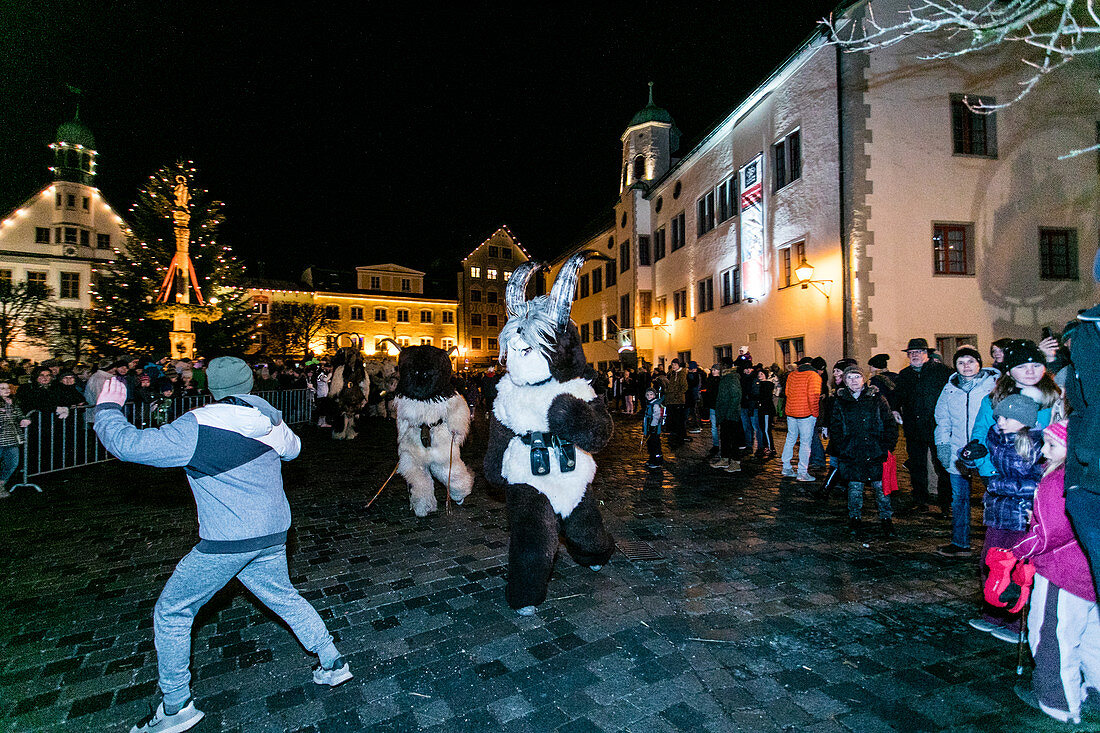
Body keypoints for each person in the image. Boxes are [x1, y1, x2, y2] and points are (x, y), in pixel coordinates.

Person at [92, 357, 352, 733]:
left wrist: (107, 410)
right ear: (248, 385)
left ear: (211, 386)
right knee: (282, 595)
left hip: (229, 539)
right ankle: (332, 661)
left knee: (173, 612)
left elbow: (129, 445)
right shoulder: (267, 421)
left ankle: (176, 706)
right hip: (273, 531)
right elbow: (294, 449)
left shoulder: (199, 424)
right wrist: (268, 414)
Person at [1006, 420, 1100, 725]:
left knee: (1052, 636)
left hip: (1062, 573)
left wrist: (1013, 552)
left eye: (1052, 444)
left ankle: (1058, 701)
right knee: (1090, 636)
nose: (1043, 451)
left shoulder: (1057, 481)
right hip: (1090, 571)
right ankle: (1095, 692)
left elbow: (1047, 533)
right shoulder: (1091, 476)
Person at [966, 393, 1044, 643]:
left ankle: (1016, 624)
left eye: (1007, 417)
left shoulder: (1036, 443)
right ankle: (992, 614)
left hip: (1022, 515)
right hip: (997, 512)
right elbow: (984, 462)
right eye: (998, 415)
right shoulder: (995, 435)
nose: (1000, 420)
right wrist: (969, 455)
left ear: (1024, 420)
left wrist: (997, 483)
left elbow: (1038, 483)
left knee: (1016, 569)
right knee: (990, 563)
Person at [933, 347, 998, 557]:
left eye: (970, 361)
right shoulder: (949, 388)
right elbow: (942, 420)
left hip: (987, 451)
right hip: (958, 450)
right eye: (961, 362)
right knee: (959, 498)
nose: (966, 366)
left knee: (994, 498)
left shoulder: (994, 386)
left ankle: (996, 545)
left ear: (979, 363)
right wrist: (943, 445)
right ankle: (960, 542)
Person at [829, 365, 898, 538]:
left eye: (857, 377)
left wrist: (887, 446)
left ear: (864, 379)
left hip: (875, 450)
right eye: (850, 378)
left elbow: (889, 422)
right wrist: (842, 447)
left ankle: (886, 519)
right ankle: (855, 518)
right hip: (852, 451)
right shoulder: (841, 401)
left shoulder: (876, 398)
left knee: (881, 489)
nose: (854, 381)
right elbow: (836, 426)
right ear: (845, 381)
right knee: (854, 488)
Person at [892, 338, 953, 515]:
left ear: (927, 354)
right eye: (911, 353)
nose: (914, 355)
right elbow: (898, 396)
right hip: (914, 427)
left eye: (918, 352)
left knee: (942, 465)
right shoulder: (905, 374)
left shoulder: (941, 372)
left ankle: (945, 502)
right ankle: (920, 499)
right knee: (917, 466)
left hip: (937, 426)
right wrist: (895, 409)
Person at [780, 357, 821, 482]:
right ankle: (802, 472)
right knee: (805, 443)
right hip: (806, 413)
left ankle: (786, 467)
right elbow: (813, 396)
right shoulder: (814, 376)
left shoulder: (792, 375)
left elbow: (787, 392)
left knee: (790, 438)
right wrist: (815, 413)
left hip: (791, 412)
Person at [710, 356, 742, 473]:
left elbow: (735, 396)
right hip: (724, 413)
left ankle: (735, 462)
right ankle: (725, 458)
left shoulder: (732, 378)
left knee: (733, 438)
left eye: (721, 364)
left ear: (725, 365)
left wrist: (729, 412)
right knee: (725, 438)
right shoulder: (725, 378)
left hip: (730, 414)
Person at [0, 382, 30, 497]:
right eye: (2, 388)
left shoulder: (13, 402)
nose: (6, 390)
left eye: (7, 388)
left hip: (12, 439)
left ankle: (1, 484)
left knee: (12, 463)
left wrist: (25, 419)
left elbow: (20, 415)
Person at [663, 358, 688, 447]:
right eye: (672, 365)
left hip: (677, 401)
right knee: (672, 419)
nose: (673, 366)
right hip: (671, 400)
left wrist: (677, 395)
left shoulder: (681, 374)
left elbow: (684, 387)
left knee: (679, 420)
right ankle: (674, 435)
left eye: (675, 365)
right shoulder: (672, 373)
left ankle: (680, 436)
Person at [753, 366, 777, 458]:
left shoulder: (767, 385)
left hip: (766, 410)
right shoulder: (760, 385)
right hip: (762, 410)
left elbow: (764, 397)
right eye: (759, 374)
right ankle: (766, 447)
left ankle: (771, 448)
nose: (760, 376)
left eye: (762, 374)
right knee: (763, 428)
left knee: (767, 430)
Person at [701, 364, 722, 460]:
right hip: (712, 406)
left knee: (721, 427)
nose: (713, 371)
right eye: (712, 370)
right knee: (713, 427)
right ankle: (715, 445)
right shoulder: (709, 380)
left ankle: (723, 445)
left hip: (720, 406)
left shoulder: (722, 380)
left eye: (715, 370)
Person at [642, 387, 665, 469]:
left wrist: (653, 426)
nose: (649, 396)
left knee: (655, 445)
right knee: (650, 445)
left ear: (654, 395)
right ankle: (652, 458)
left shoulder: (655, 404)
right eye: (647, 395)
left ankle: (657, 461)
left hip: (653, 429)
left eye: (651, 394)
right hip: (649, 427)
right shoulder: (649, 404)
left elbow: (656, 416)